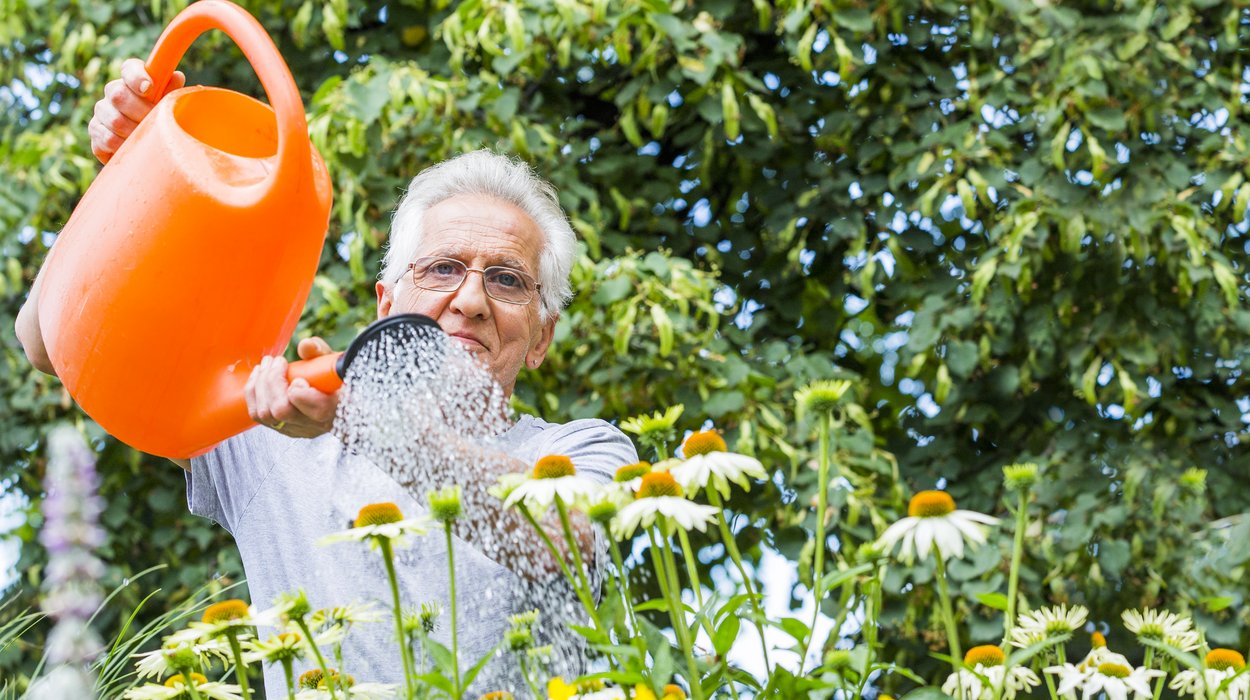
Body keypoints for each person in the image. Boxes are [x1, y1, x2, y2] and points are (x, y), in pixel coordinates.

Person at [15, 58, 637, 694]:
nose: (471, 301)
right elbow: (46, 342)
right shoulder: (269, 435)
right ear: (385, 304)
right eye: (444, 268)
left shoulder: (577, 452)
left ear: (541, 337)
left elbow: (562, 539)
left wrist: (365, 423)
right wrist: (131, 176)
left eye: (506, 280)